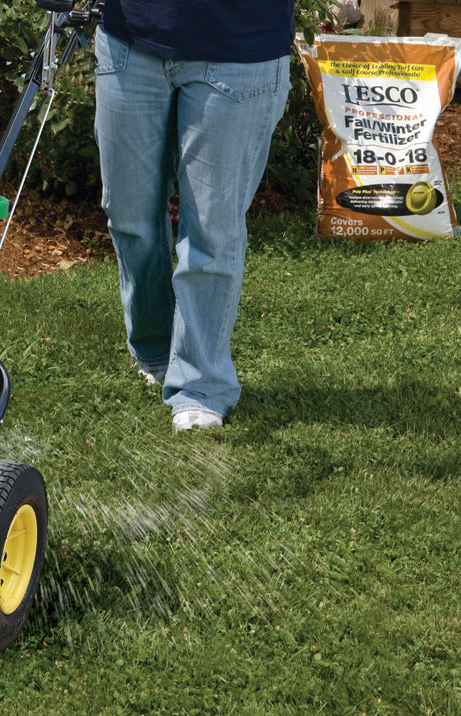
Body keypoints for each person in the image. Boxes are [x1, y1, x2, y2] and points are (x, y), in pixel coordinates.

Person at [93, 1, 295, 431]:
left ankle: (202, 386)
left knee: (211, 229)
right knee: (129, 216)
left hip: (240, 48)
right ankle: (155, 348)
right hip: (131, 42)